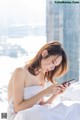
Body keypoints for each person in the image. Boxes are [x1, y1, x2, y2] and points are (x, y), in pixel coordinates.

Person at [7, 41, 80, 120]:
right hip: (20, 116)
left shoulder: (42, 75)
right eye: (53, 62)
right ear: (44, 53)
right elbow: (17, 108)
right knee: (41, 115)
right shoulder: (20, 72)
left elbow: (42, 105)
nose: (52, 68)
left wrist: (56, 94)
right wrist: (45, 92)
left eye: (55, 66)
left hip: (36, 113)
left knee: (76, 107)